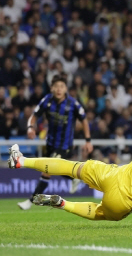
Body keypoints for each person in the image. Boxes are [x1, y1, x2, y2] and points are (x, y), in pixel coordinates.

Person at [17, 75, 93, 210]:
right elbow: (34, 116)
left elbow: (84, 120)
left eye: (61, 87)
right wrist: (30, 127)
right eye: (56, 86)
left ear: (66, 89)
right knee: (51, 169)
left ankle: (30, 201)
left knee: (47, 170)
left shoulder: (73, 104)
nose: (59, 89)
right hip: (50, 143)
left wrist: (88, 140)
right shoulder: (47, 100)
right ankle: (74, 177)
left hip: (65, 145)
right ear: (52, 88)